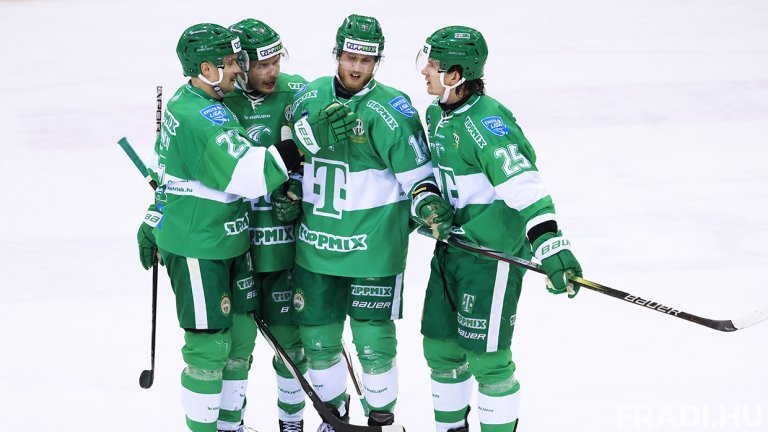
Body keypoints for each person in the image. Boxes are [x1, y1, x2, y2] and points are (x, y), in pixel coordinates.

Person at [135, 22, 354, 432]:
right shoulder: (201, 114)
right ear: (208, 68)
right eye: (235, 61)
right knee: (211, 349)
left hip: (232, 243)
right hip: (201, 245)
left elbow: (167, 169)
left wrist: (297, 187)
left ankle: (231, 426)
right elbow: (248, 175)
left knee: (242, 344)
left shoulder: (203, 100)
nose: (241, 69)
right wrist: (304, 142)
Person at [415, 26, 584, 432]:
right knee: (440, 349)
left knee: (488, 361)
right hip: (452, 249)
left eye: (433, 65)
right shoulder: (437, 113)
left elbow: (528, 190)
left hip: (491, 258)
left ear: (455, 75)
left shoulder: (488, 125)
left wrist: (551, 247)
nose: (424, 71)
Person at [287, 14, 443, 431]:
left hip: (373, 248)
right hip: (316, 247)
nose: (357, 67)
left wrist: (427, 204)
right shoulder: (307, 98)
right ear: (337, 54)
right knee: (318, 339)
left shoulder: (392, 110)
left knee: (374, 342)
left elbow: (420, 179)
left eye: (367, 60)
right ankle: (332, 417)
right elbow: (291, 157)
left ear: (378, 61)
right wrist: (290, 188)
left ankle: (381, 421)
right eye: (350, 57)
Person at [223, 18, 309, 432]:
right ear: (239, 64)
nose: (272, 71)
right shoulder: (218, 101)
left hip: (283, 249)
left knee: (290, 346)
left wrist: (297, 186)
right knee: (235, 351)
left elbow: (322, 156)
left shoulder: (298, 92)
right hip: (234, 249)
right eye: (261, 65)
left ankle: (291, 423)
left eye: (276, 61)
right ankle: (231, 425)